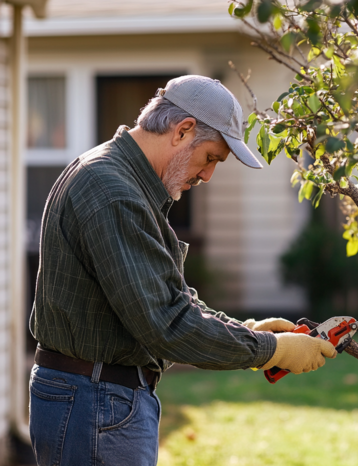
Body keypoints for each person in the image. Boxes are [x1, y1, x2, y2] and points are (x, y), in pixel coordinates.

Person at [28, 75, 336, 466]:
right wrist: (271, 350)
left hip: (97, 398)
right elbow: (166, 325)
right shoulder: (113, 192)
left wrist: (245, 331)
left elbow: (168, 298)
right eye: (210, 158)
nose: (207, 176)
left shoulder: (123, 180)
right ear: (183, 130)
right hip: (96, 403)